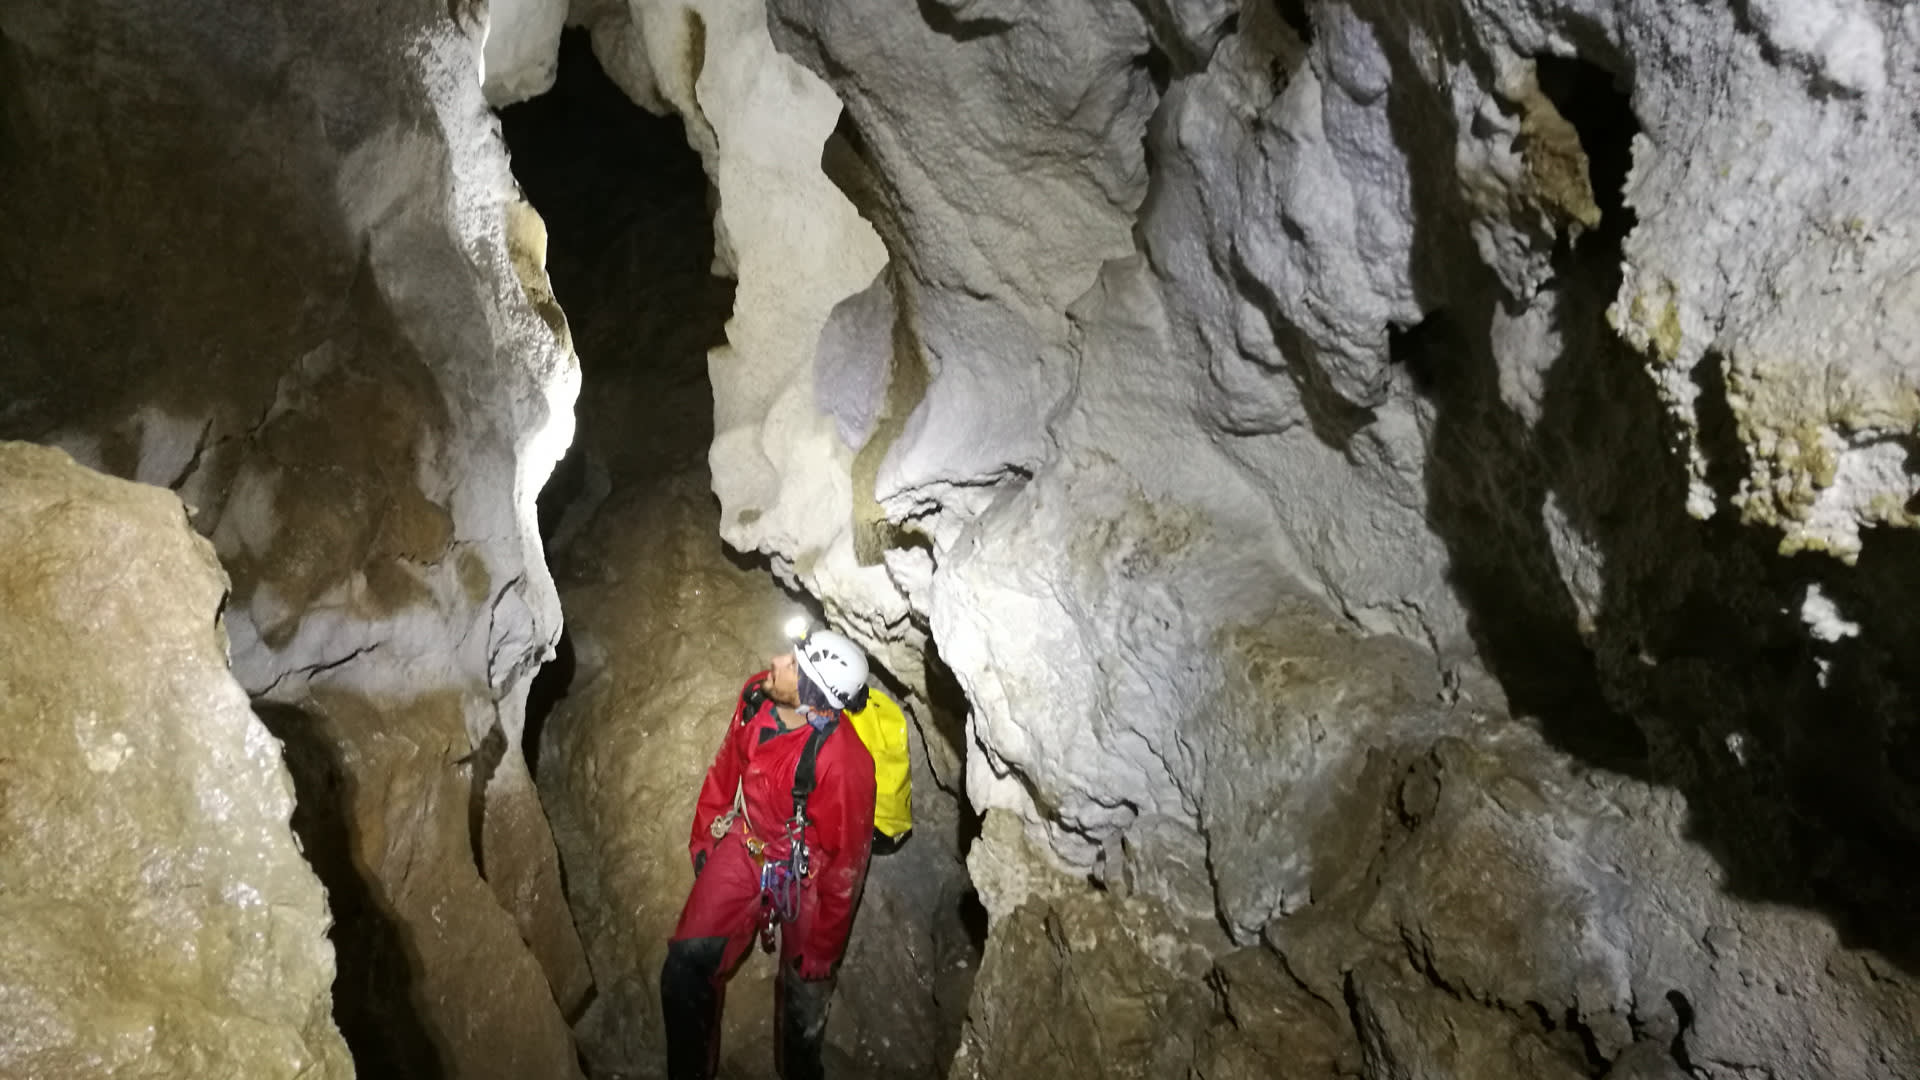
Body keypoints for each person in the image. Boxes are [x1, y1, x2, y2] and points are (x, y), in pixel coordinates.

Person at [660, 629, 877, 1080]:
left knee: (804, 996)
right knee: (684, 969)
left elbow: (846, 867)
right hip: (750, 842)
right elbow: (726, 765)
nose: (777, 661)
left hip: (808, 874)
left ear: (814, 700)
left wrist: (824, 947)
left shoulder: (844, 764)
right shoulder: (757, 698)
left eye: (794, 667)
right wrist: (706, 834)